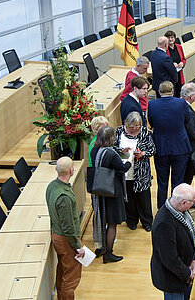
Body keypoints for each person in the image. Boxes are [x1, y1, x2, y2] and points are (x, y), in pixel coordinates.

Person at [151, 184, 195, 299]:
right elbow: (169, 259)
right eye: (193, 201)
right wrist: (188, 274)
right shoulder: (164, 223)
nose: (194, 203)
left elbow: (193, 236)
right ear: (183, 202)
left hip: (183, 274)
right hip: (172, 279)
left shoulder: (180, 211)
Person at [148, 81, 192, 210]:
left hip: (161, 147)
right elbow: (187, 120)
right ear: (172, 91)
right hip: (179, 147)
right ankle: (176, 209)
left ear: (159, 92)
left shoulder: (152, 104)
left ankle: (162, 210)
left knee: (162, 182)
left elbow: (151, 122)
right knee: (177, 182)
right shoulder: (181, 103)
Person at [90, 126, 131, 263]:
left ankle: (101, 247)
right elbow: (122, 167)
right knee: (112, 224)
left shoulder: (95, 151)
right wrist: (130, 159)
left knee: (102, 219)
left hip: (98, 192)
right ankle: (109, 253)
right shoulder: (111, 154)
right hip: (111, 192)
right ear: (111, 138)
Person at [46, 156, 84, 299]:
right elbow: (68, 226)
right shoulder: (64, 197)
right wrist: (77, 246)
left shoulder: (51, 186)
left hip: (56, 234)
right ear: (71, 170)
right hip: (66, 240)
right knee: (71, 278)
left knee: (62, 270)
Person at [114, 112, 156, 231]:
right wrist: (122, 150)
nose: (134, 128)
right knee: (129, 198)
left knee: (144, 198)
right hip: (125, 171)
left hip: (141, 172)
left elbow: (152, 149)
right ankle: (131, 220)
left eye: (137, 126)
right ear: (126, 124)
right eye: (131, 126)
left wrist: (142, 154)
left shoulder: (145, 132)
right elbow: (112, 148)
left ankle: (147, 222)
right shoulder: (119, 131)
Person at [86, 116, 108, 255]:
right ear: (95, 130)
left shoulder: (103, 143)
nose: (105, 129)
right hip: (97, 183)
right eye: (102, 127)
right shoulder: (95, 145)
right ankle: (99, 242)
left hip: (101, 181)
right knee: (98, 212)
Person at [165, 30, 186, 98]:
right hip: (170, 75)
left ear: (174, 38)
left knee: (179, 93)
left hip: (179, 74)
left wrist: (182, 63)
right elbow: (164, 62)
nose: (170, 39)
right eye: (168, 37)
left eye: (172, 37)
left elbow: (183, 59)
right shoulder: (165, 49)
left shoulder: (179, 47)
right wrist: (172, 64)